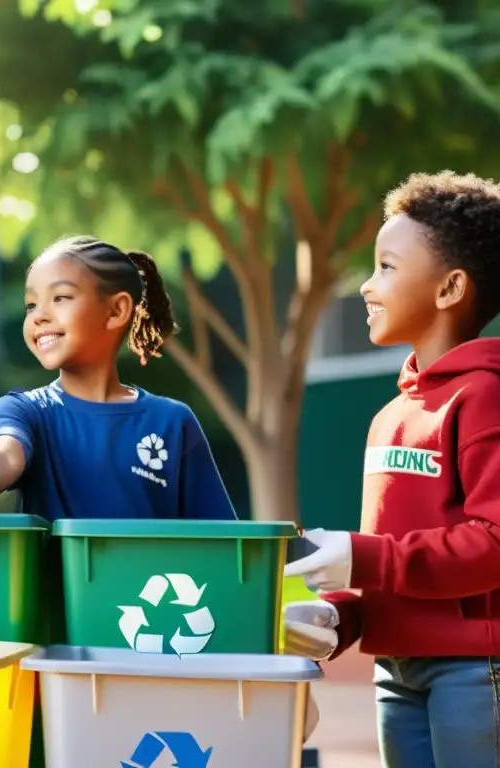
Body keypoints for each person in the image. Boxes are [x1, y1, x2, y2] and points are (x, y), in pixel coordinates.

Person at [284, 171, 500, 768]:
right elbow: (388, 558)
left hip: (475, 674)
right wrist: (342, 616)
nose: (365, 286)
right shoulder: (389, 417)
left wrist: (363, 556)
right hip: (394, 672)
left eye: (386, 267)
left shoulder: (484, 397)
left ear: (451, 287)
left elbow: (494, 542)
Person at [0, 235, 236, 548]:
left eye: (60, 298)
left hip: (155, 623)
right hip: (60, 636)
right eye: (30, 304)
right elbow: (5, 455)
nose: (38, 315)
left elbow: (221, 541)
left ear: (117, 310)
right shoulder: (27, 411)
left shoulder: (171, 421)